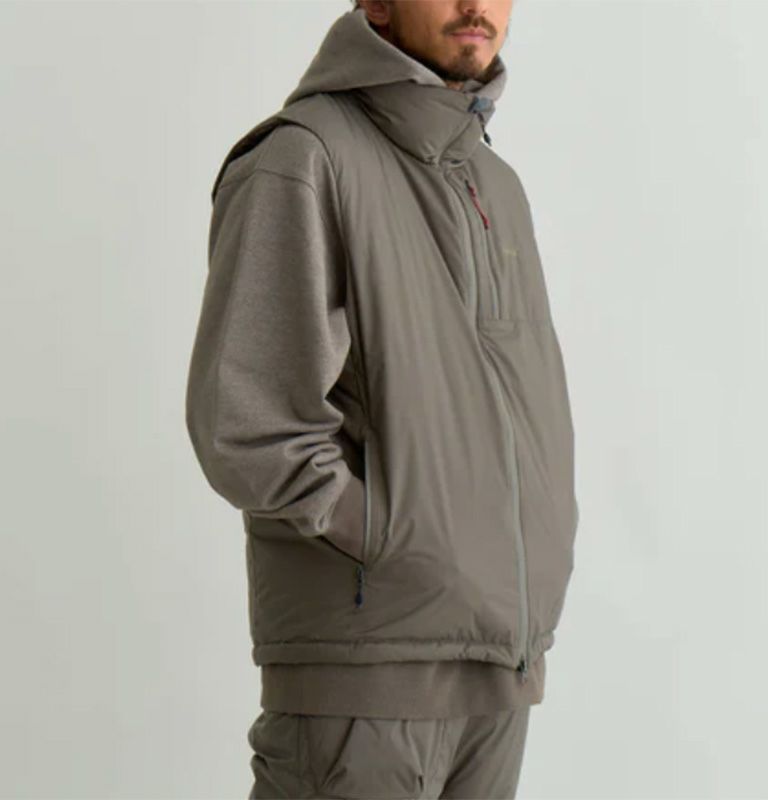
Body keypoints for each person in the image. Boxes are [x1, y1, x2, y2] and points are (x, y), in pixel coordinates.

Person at [185, 1, 579, 797]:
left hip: (500, 673)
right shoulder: (303, 157)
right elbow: (247, 424)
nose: (475, 6)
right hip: (364, 677)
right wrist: (394, 538)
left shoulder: (496, 184)